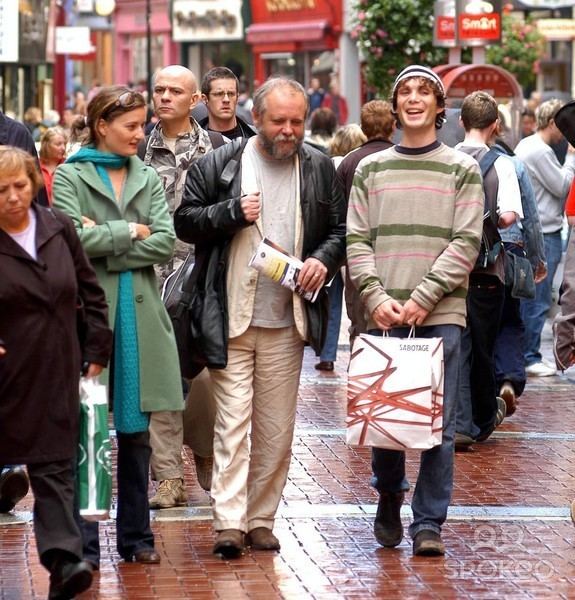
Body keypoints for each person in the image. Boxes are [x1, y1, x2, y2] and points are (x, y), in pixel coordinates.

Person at [174, 77, 346, 558]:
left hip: (287, 319)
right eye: (279, 121)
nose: (289, 130)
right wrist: (230, 211)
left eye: (297, 121)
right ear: (259, 117)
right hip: (231, 314)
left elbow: (338, 230)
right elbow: (185, 221)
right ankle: (228, 521)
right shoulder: (220, 162)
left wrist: (323, 260)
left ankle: (261, 518)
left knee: (276, 428)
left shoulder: (316, 165)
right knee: (231, 423)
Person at [346, 65, 483, 556]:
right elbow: (357, 239)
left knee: (438, 427)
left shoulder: (461, 168)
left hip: (441, 313)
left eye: (424, 91)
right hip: (382, 313)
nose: (414, 98)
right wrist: (376, 296)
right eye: (405, 91)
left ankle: (428, 523)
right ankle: (388, 495)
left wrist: (423, 297)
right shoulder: (370, 168)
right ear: (395, 105)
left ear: (439, 106)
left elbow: (466, 241)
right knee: (385, 420)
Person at [53, 85, 184, 567]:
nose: (140, 133)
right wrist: (130, 230)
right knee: (88, 432)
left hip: (140, 318)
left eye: (142, 124)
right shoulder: (69, 174)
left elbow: (166, 242)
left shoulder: (145, 175)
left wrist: (101, 236)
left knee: (136, 432)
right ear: (102, 125)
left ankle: (137, 538)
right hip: (90, 319)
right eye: (130, 126)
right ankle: (85, 546)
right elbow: (70, 240)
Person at [0, 145, 112, 598]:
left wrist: (96, 350)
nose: (12, 197)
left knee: (54, 471)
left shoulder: (58, 228)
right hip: (7, 372)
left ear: (34, 183)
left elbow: (91, 292)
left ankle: (64, 561)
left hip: (55, 368)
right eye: (1, 190)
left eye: (20, 186)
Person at [142, 64, 220, 506]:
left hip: (201, 281)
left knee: (206, 377)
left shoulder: (220, 150)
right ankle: (168, 476)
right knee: (160, 381)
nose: (164, 96)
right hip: (150, 281)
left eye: (175, 90)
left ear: (195, 101)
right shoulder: (136, 150)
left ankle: (205, 448)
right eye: (159, 89)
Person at [454, 91, 523, 448]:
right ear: (496, 125)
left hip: (449, 268)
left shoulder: (445, 158)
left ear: (461, 122)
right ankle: (477, 420)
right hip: (487, 270)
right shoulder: (502, 165)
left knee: (457, 345)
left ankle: (464, 420)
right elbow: (509, 217)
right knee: (483, 348)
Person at [515, 99, 575, 377]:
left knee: (533, 297)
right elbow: (562, 185)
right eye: (562, 127)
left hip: (533, 229)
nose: (564, 134)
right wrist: (572, 158)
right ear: (552, 123)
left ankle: (526, 354)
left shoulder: (528, 146)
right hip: (544, 230)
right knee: (538, 300)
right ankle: (530, 355)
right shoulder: (540, 151)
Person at [492, 129, 547, 416]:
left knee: (477, 320)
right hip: (512, 248)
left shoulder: (459, 157)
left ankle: (483, 386)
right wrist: (538, 260)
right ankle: (510, 379)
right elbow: (532, 218)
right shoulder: (515, 165)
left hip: (477, 250)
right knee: (511, 318)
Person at [337, 100, 395, 339]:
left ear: (363, 127)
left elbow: (338, 214)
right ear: (393, 126)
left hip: (358, 262)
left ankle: (364, 374)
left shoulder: (349, 162)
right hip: (394, 259)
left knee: (361, 331)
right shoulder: (401, 157)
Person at [315, 124, 367, 372]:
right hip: (353, 239)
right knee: (354, 302)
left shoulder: (329, 164)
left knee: (330, 298)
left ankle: (327, 353)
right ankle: (356, 352)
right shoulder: (361, 163)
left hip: (329, 240)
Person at [198, 66, 257, 140]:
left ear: (237, 98)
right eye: (219, 94)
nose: (226, 100)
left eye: (231, 94)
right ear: (205, 99)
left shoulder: (255, 139)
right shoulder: (193, 143)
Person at [39, 126, 68, 205]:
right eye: (58, 144)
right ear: (47, 145)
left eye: (64, 144)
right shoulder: (35, 166)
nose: (63, 148)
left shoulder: (68, 166)